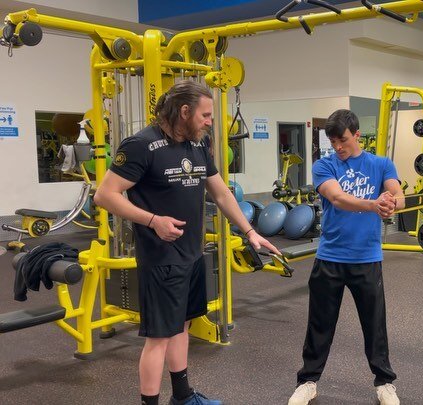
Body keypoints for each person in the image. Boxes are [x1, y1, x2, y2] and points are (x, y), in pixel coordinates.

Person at [94, 80, 280, 405]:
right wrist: (153, 221)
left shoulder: (198, 144)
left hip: (192, 254)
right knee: (158, 338)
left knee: (182, 326)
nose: (210, 121)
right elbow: (105, 195)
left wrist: (249, 231)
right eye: (205, 115)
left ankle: (183, 397)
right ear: (184, 111)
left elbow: (221, 192)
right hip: (161, 258)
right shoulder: (141, 145)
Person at [288, 109, 404, 405]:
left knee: (374, 323)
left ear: (357, 135)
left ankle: (384, 383)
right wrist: (374, 204)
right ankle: (308, 381)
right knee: (320, 323)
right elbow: (338, 198)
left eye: (342, 140)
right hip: (330, 257)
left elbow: (397, 193)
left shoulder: (380, 164)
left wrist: (392, 203)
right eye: (332, 141)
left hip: (366, 258)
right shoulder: (324, 166)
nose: (337, 147)